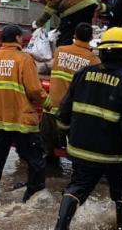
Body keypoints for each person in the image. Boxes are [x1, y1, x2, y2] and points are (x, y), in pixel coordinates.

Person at [50, 27, 122, 230]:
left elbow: (64, 111)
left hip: (81, 150)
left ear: (102, 51)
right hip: (113, 156)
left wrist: (65, 132)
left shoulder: (83, 75)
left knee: (77, 188)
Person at [0, 25, 49, 203]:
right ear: (19, 39)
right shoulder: (23, 59)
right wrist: (49, 103)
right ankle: (34, 197)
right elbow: (35, 90)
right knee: (36, 158)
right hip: (21, 119)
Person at [41, 22, 101, 168]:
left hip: (51, 108)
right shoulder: (94, 61)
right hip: (74, 113)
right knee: (77, 153)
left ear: (74, 36)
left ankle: (44, 183)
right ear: (91, 38)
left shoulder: (60, 51)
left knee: (45, 152)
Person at [22, 0, 100, 47]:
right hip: (91, 3)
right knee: (82, 37)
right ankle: (82, 56)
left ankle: (63, 58)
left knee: (63, 40)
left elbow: (53, 0)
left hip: (75, 5)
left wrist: (40, 22)